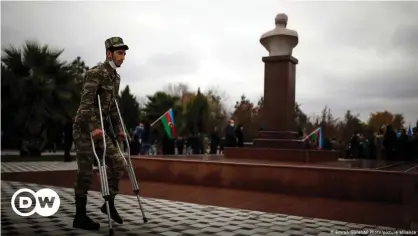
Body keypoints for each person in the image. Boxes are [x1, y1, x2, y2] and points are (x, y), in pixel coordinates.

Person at [72, 37, 129, 231]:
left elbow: (112, 107)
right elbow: (86, 105)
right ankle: (80, 216)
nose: (123, 56)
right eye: (120, 53)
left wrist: (119, 128)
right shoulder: (95, 74)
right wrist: (94, 127)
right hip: (85, 128)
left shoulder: (116, 78)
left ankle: (109, 203)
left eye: (124, 53)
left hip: (103, 129)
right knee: (86, 173)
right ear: (109, 53)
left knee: (120, 163)